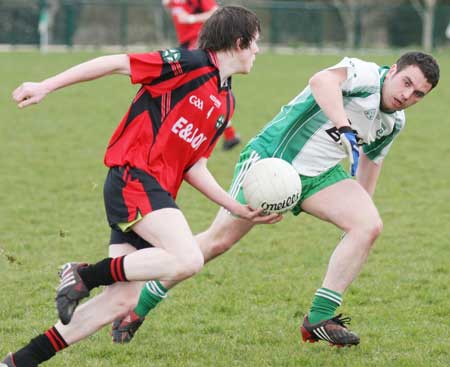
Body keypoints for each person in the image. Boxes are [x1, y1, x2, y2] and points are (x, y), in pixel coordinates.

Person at [1, 6, 280, 367]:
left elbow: (194, 166)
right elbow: (116, 63)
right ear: (239, 43)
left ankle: (18, 361)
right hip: (133, 177)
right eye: (255, 43)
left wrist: (237, 207)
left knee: (121, 301)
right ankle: (84, 273)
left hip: (156, 195)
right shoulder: (189, 63)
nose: (258, 51)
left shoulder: (226, 102)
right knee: (188, 258)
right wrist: (46, 85)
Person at [111, 51, 440, 347]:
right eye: (406, 82)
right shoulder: (365, 76)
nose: (406, 95)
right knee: (217, 243)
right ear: (393, 70)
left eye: (417, 94)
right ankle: (139, 308)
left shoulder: (393, 121)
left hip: (319, 176)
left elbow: (370, 161)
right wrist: (343, 126)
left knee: (369, 225)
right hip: (273, 161)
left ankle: (318, 319)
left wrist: (357, 219)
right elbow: (321, 80)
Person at [162, 0, 242, 151]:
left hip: (198, 43)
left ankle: (177, 134)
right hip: (186, 45)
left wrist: (192, 19)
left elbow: (216, 12)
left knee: (200, 92)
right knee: (201, 93)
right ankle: (229, 136)